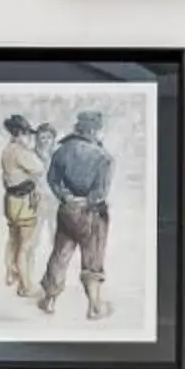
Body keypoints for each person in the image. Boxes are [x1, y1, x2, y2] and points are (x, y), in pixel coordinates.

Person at [38, 111, 114, 320]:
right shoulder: (104, 157)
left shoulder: (61, 151)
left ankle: (50, 301)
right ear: (94, 130)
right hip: (93, 214)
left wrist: (67, 197)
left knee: (60, 255)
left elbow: (53, 180)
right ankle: (94, 306)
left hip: (67, 210)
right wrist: (86, 201)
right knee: (93, 259)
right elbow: (100, 192)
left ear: (79, 128)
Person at [0, 113, 55, 294]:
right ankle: (25, 286)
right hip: (23, 202)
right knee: (26, 245)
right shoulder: (21, 152)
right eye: (28, 134)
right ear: (21, 133)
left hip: (11, 200)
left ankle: (10, 273)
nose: (30, 138)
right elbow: (38, 168)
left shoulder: (7, 150)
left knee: (13, 239)